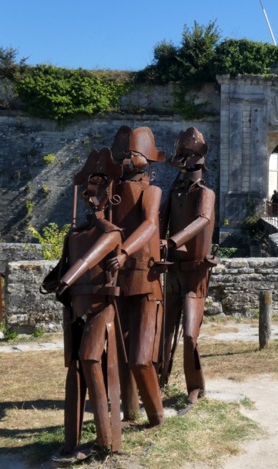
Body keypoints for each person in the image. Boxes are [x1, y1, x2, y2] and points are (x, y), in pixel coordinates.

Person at [44, 148, 125, 455]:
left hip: (100, 309)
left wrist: (69, 277)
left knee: (91, 358)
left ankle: (106, 440)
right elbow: (63, 267)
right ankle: (71, 441)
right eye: (89, 188)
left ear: (109, 195)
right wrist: (55, 280)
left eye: (99, 188)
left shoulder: (112, 233)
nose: (92, 195)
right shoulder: (74, 235)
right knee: (75, 366)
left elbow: (92, 258)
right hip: (75, 310)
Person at [106, 126, 165, 428]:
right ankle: (129, 411)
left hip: (145, 277)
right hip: (118, 280)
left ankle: (156, 416)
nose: (128, 159)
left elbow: (150, 225)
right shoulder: (112, 194)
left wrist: (126, 251)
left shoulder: (151, 191)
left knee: (141, 358)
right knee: (119, 355)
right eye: (124, 154)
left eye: (134, 153)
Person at [158, 127, 218, 404]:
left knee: (190, 334)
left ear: (198, 157)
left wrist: (173, 240)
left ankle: (195, 386)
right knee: (164, 329)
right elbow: (160, 219)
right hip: (173, 270)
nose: (181, 159)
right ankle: (159, 377)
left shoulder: (205, 193)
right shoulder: (175, 191)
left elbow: (203, 220)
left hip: (194, 272)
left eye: (186, 154)